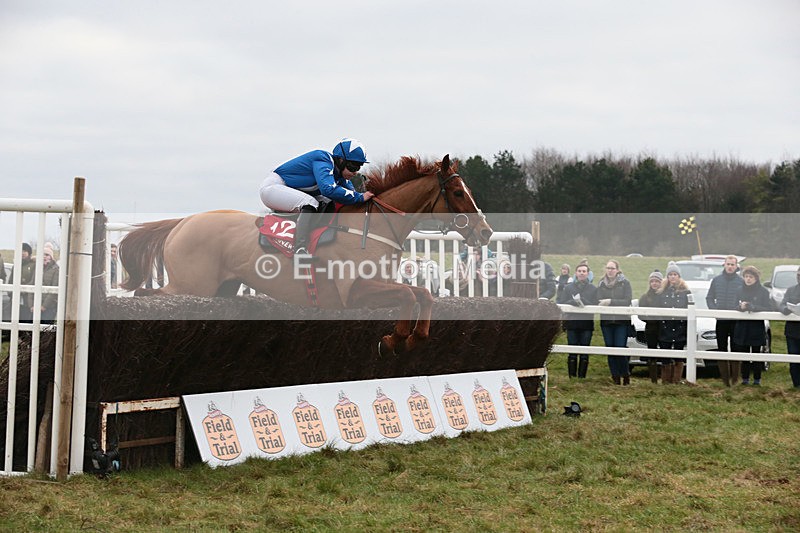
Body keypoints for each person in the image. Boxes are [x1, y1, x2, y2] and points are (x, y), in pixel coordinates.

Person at [259, 138, 375, 256]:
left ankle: (316, 238)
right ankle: (300, 248)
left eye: (358, 167)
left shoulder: (339, 175)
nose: (355, 172)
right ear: (340, 160)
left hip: (286, 189)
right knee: (310, 202)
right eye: (353, 166)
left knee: (326, 201)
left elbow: (352, 195)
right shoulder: (323, 158)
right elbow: (328, 189)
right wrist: (359, 197)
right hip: (273, 187)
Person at [706, 255, 745, 387]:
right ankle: (725, 380)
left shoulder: (741, 281)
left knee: (736, 348)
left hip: (735, 320)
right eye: (728, 264)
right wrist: (714, 310)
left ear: (736, 266)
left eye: (732, 265)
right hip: (721, 320)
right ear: (724, 265)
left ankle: (735, 379)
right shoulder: (716, 280)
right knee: (721, 347)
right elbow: (709, 298)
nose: (730, 267)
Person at [557, 261, 598, 379]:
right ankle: (572, 376)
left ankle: (582, 377)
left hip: (586, 324)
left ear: (588, 273)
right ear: (576, 273)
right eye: (579, 271)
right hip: (572, 323)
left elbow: (596, 304)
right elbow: (562, 302)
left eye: (584, 271)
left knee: (585, 352)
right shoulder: (568, 288)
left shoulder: (593, 288)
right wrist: (572, 302)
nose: (581, 273)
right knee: (572, 351)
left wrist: (584, 301)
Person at [597, 259, 633, 385]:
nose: (610, 271)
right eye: (608, 268)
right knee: (610, 349)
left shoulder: (625, 283)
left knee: (619, 348)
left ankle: (625, 374)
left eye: (612, 268)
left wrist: (611, 301)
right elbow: (598, 299)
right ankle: (615, 377)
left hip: (621, 321)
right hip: (606, 321)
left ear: (617, 270)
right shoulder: (601, 284)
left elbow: (627, 300)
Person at [734, 266, 771, 385]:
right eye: (746, 277)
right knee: (744, 354)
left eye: (751, 277)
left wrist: (754, 307)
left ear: (756, 278)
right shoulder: (739, 290)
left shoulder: (763, 291)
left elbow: (768, 308)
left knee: (756, 354)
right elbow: (734, 305)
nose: (748, 279)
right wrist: (740, 307)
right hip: (743, 327)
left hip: (756, 328)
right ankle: (745, 379)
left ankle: (757, 380)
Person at [656, 262, 692, 384]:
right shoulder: (661, 292)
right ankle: (666, 381)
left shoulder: (686, 292)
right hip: (665, 328)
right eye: (670, 274)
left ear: (679, 276)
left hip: (680, 328)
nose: (672, 277)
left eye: (675, 274)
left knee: (679, 354)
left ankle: (676, 380)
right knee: (665, 355)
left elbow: (690, 309)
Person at [638, 270, 664, 383]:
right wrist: (651, 321)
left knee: (665, 352)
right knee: (651, 353)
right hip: (651, 328)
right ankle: (653, 379)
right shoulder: (644, 297)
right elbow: (640, 314)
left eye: (657, 281)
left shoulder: (665, 296)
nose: (654, 283)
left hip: (664, 329)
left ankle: (665, 378)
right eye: (652, 281)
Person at [778, 266, 800, 388]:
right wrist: (785, 309)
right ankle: (796, 384)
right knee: (793, 359)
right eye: (798, 275)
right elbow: (781, 305)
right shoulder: (791, 290)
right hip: (792, 331)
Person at [8, 242, 35, 322]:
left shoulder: (33, 265)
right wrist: (11, 293)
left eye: (25, 251)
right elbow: (11, 281)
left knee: (26, 321)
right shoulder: (16, 265)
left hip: (27, 300)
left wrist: (24, 290)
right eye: (21, 251)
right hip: (15, 299)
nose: (22, 253)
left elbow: (33, 281)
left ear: (29, 253)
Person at [38, 242, 59, 323]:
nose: (44, 256)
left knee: (46, 329)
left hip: (49, 307)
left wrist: (44, 306)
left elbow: (54, 289)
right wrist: (31, 304)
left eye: (47, 254)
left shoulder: (56, 269)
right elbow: (32, 283)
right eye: (43, 254)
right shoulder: (38, 268)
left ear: (51, 256)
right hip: (36, 305)